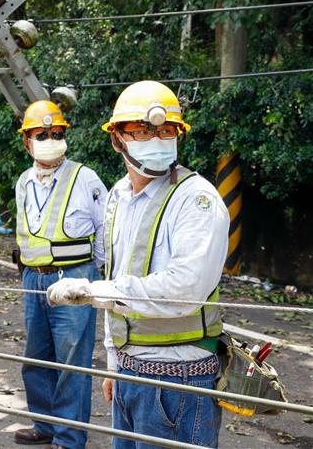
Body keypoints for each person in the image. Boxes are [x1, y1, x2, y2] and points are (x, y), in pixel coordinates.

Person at [46, 80, 228, 448]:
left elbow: (185, 290)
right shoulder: (118, 196)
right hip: (130, 374)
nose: (157, 139)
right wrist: (115, 363)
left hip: (179, 380)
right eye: (143, 131)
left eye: (166, 131)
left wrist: (92, 291)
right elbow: (116, 277)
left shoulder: (197, 200)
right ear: (117, 139)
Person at [12, 100, 107, 448]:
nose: (50, 138)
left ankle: (68, 438)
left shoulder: (85, 178)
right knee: (36, 356)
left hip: (74, 276)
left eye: (56, 133)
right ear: (27, 141)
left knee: (72, 362)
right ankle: (45, 424)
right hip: (33, 278)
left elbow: (106, 232)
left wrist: (94, 277)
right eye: (42, 134)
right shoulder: (24, 181)